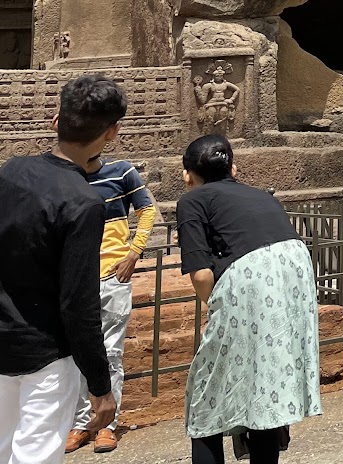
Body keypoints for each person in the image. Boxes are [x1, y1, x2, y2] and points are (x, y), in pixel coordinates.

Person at [0, 75, 123, 464]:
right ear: (111, 132)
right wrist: (100, 386)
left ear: (56, 121)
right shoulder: (83, 203)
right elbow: (78, 303)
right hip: (46, 355)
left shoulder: (11, 171)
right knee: (34, 456)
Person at [177, 135, 321, 464]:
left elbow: (201, 275)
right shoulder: (261, 196)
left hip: (250, 276)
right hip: (295, 272)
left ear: (187, 175)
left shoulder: (193, 200)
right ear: (233, 168)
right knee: (264, 384)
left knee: (207, 394)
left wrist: (216, 308)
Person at [64, 154, 158, 454]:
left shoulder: (121, 172)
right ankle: (80, 423)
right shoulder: (65, 177)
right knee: (75, 355)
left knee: (111, 354)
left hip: (113, 275)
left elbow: (147, 210)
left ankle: (107, 424)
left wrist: (134, 253)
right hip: (77, 279)